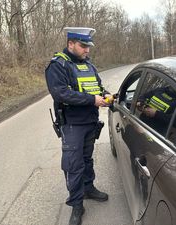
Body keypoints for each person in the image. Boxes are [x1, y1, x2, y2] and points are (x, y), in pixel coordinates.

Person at [45, 27, 111, 225]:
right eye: (83, 46)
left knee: (86, 159)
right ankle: (76, 204)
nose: (87, 50)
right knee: (73, 165)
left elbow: (97, 88)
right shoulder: (58, 65)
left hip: (90, 122)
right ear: (70, 44)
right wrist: (93, 100)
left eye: (88, 46)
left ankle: (88, 188)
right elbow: (61, 93)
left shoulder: (89, 66)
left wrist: (107, 96)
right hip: (72, 124)